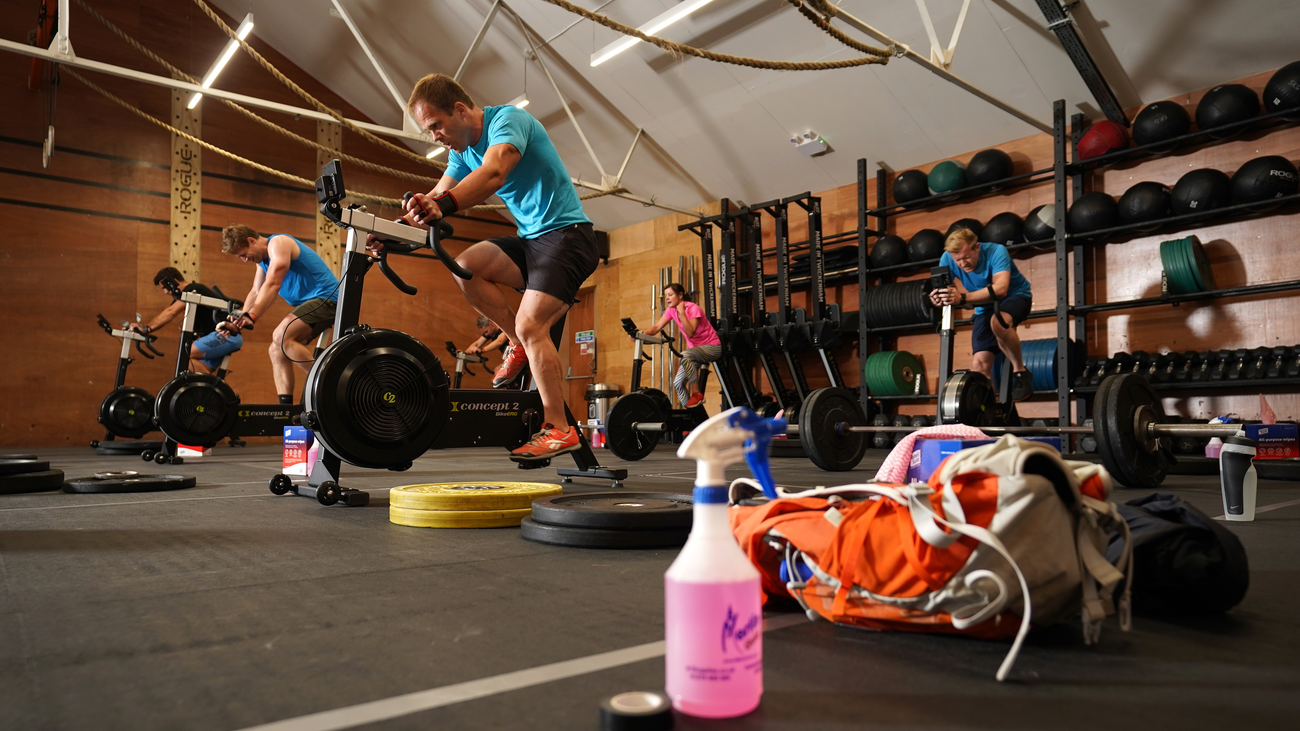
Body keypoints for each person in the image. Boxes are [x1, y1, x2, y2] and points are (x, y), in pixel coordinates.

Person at [370, 73, 599, 461]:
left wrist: (439, 206)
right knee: (467, 266)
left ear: (460, 109)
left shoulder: (507, 121)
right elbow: (436, 197)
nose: (435, 136)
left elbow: (493, 173)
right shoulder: (461, 153)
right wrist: (390, 232)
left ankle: (559, 428)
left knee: (532, 325)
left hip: (568, 237)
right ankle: (516, 343)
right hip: (532, 243)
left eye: (436, 125)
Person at [219, 225, 339, 405]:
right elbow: (255, 291)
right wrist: (238, 320)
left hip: (327, 299)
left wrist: (252, 316)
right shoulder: (262, 262)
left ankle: (333, 385)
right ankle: (285, 410)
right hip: (311, 304)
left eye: (243, 254)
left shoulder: (279, 243)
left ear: (251, 241)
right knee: (275, 350)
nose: (244, 260)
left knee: (281, 336)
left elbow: (273, 284)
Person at [928, 228, 1034, 401]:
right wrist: (939, 298)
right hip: (983, 305)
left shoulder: (996, 251)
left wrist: (962, 297)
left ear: (976, 247)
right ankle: (988, 410)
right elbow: (944, 291)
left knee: (998, 323)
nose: (963, 264)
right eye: (958, 260)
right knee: (979, 365)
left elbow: (1001, 289)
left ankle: (1020, 372)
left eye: (966, 257)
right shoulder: (947, 258)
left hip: (1016, 295)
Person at [130, 267, 243, 375]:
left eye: (164, 288)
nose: (165, 292)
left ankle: (212, 389)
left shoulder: (193, 290)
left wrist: (147, 328)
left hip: (225, 335)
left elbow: (171, 312)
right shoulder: (187, 295)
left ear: (172, 282)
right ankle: (209, 391)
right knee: (197, 369)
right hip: (219, 337)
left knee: (183, 355)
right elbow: (168, 311)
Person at [640, 283, 721, 409]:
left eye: (670, 295)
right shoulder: (671, 310)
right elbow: (656, 327)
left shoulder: (693, 308)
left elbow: (690, 333)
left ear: (680, 295)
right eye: (666, 295)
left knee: (685, 355)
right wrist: (639, 335)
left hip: (712, 347)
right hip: (695, 352)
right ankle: (691, 414)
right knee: (678, 383)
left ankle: (696, 393)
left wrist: (682, 312)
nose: (667, 298)